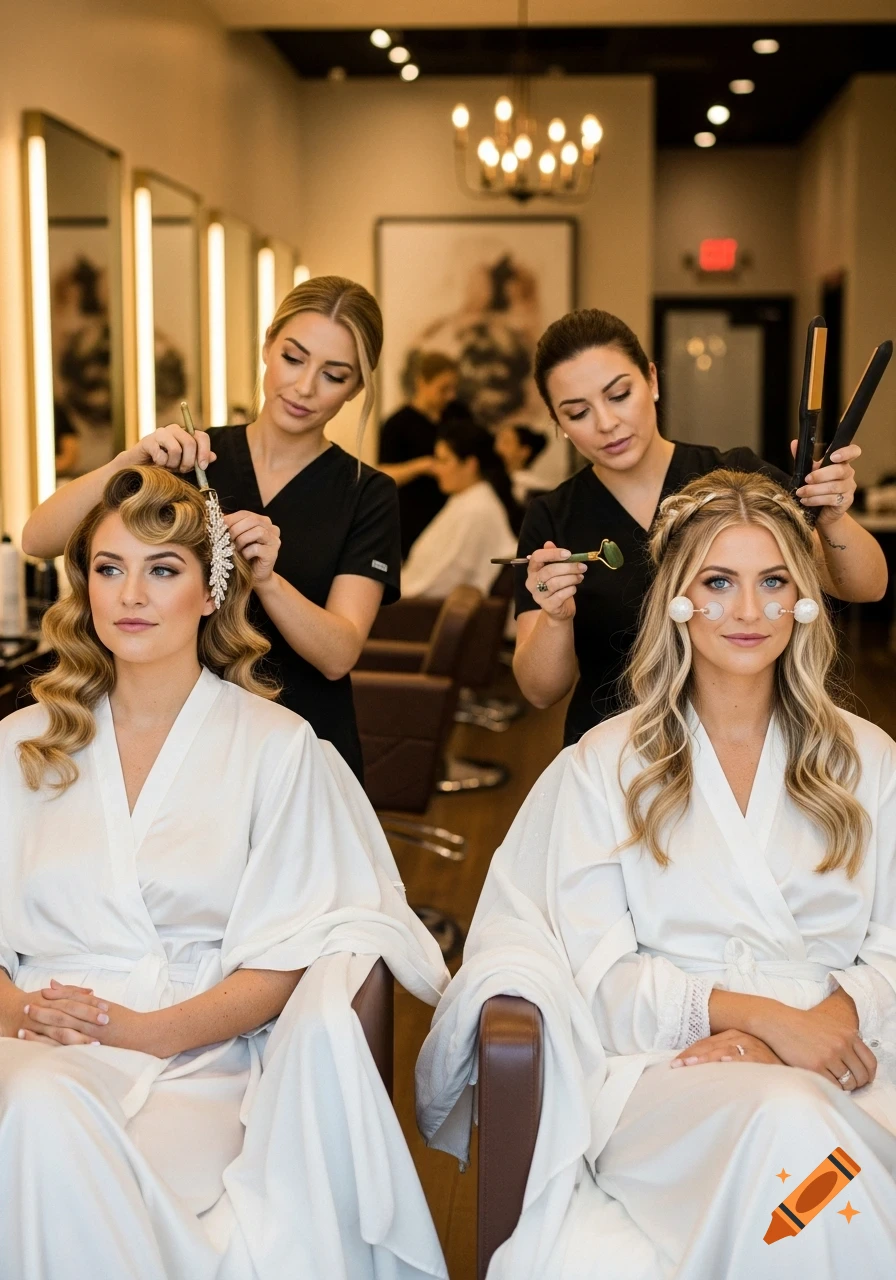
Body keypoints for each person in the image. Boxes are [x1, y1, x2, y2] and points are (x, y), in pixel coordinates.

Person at [417, 469, 896, 1280]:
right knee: (791, 1123)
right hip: (671, 1074)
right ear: (677, 597)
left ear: (803, 598)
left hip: (850, 1049)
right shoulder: (607, 767)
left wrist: (813, 1026)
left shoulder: (868, 761)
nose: (748, 611)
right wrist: (758, 1023)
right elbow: (598, 978)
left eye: (773, 581)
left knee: (800, 1130)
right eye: (718, 582)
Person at [0, 465, 449, 1280]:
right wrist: (26, 1010)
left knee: (40, 1117)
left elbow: (286, 955)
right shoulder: (22, 745)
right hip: (28, 1036)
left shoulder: (273, 747)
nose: (130, 593)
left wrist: (140, 1031)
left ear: (209, 593)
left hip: (192, 1059)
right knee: (32, 1101)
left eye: (162, 569)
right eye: (109, 568)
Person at [23, 275, 399, 783]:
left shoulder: (366, 492)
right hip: (172, 732)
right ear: (267, 347)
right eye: (293, 358)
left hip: (303, 740)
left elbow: (339, 654)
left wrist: (268, 578)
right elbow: (37, 539)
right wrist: (127, 463)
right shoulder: (190, 458)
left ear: (357, 386)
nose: (305, 387)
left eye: (334, 374)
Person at [512, 308, 889, 749]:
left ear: (651, 380)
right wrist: (556, 617)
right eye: (577, 412)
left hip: (747, 743)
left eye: (619, 395)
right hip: (613, 756)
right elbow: (540, 691)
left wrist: (832, 516)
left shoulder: (736, 478)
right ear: (558, 423)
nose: (606, 423)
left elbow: (868, 586)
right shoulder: (554, 517)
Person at [401, 420, 519, 600]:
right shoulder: (463, 499)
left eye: (443, 461)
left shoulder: (477, 509)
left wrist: (398, 595)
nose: (436, 470)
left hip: (434, 612)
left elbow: (447, 576)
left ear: (470, 464)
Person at [378, 351, 459, 559]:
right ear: (422, 383)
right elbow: (383, 473)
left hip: (453, 516)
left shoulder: (457, 416)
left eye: (453, 389)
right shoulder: (397, 424)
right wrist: (423, 465)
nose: (450, 396)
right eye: (443, 389)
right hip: (413, 518)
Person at [495, 422, 550, 506]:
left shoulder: (532, 488)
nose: (498, 448)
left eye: (506, 442)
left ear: (524, 452)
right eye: (497, 442)